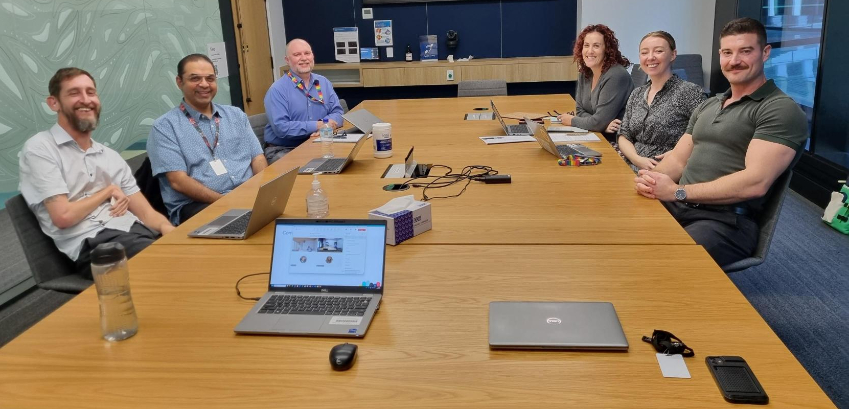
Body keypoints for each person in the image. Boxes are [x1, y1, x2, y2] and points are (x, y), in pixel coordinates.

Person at [634, 18, 808, 267]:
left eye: (745, 51)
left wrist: (677, 192)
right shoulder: (710, 104)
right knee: (612, 231)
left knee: (664, 264)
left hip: (724, 221)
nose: (734, 60)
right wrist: (651, 182)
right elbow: (678, 161)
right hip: (678, 204)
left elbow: (755, 183)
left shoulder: (779, 110)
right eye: (727, 52)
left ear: (765, 52)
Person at [19, 68, 175, 278]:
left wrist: (167, 228)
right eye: (74, 93)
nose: (86, 100)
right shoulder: (40, 149)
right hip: (95, 246)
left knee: (191, 251)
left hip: (136, 233)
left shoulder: (109, 156)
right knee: (171, 265)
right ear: (54, 103)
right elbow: (63, 216)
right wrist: (108, 191)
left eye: (91, 92)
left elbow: (146, 213)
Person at [148, 54, 267, 225]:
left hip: (247, 195)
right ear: (179, 82)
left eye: (210, 78)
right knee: (248, 226)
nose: (204, 84)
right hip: (199, 205)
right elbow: (178, 181)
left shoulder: (235, 115)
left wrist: (260, 190)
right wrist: (228, 203)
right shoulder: (165, 127)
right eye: (195, 78)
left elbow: (258, 157)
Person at [609, 31, 706, 172]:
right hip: (629, 165)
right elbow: (624, 135)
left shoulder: (690, 92)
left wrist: (678, 154)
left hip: (664, 172)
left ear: (673, 55)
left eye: (658, 51)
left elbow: (704, 136)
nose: (650, 57)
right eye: (644, 52)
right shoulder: (637, 94)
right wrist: (637, 160)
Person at [263, 38, 344, 164]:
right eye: (297, 55)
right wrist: (317, 125)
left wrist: (326, 125)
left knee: (344, 162)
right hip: (284, 149)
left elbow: (337, 113)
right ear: (287, 60)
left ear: (312, 56)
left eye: (307, 53)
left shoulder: (323, 82)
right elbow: (281, 128)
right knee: (313, 169)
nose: (304, 58)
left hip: (317, 142)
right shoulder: (277, 90)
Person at [558, 24, 634, 141]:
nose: (590, 51)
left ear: (607, 50)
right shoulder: (585, 72)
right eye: (586, 45)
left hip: (617, 142)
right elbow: (580, 111)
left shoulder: (616, 75)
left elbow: (598, 122)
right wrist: (601, 126)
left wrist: (572, 120)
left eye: (596, 46)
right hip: (597, 135)